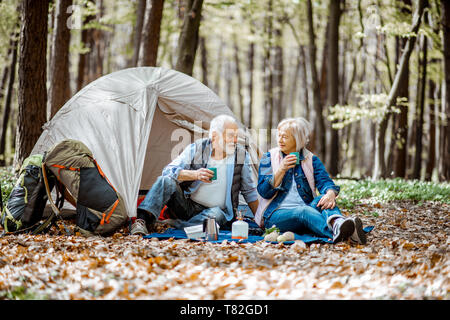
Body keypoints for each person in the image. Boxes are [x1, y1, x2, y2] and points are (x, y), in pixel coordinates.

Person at [131, 114, 259, 235]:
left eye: (236, 136)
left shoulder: (240, 155)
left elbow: (249, 191)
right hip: (187, 206)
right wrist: (194, 175)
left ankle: (176, 225)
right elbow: (169, 171)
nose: (235, 140)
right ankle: (142, 221)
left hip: (217, 212)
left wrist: (259, 221)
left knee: (217, 216)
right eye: (231, 136)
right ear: (215, 136)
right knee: (165, 180)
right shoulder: (198, 148)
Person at [255, 117, 366, 244]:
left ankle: (338, 224)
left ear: (297, 139)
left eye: (285, 136)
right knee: (303, 211)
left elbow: (325, 181)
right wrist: (281, 170)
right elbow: (263, 191)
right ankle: (347, 234)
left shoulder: (311, 159)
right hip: (275, 216)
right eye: (278, 135)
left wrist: (330, 194)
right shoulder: (268, 158)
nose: (280, 140)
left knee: (323, 200)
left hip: (308, 210)